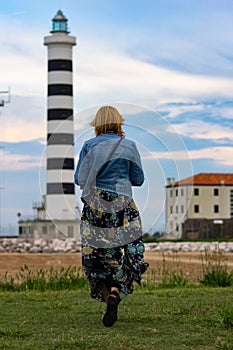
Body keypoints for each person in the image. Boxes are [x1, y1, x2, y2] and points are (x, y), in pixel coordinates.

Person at [74, 106, 149, 327]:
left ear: (96, 125)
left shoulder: (89, 146)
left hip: (96, 203)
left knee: (99, 255)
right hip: (123, 203)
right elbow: (139, 179)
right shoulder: (130, 146)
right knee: (129, 249)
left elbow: (80, 178)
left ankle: (109, 296)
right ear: (119, 122)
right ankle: (116, 292)